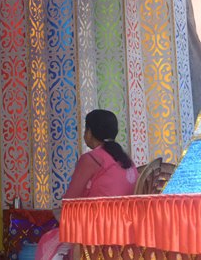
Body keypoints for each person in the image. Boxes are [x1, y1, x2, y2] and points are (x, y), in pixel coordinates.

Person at [35, 109, 138, 260]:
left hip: (96, 232)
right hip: (126, 230)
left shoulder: (91, 158)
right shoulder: (128, 161)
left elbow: (70, 199)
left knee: (48, 241)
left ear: (89, 132)